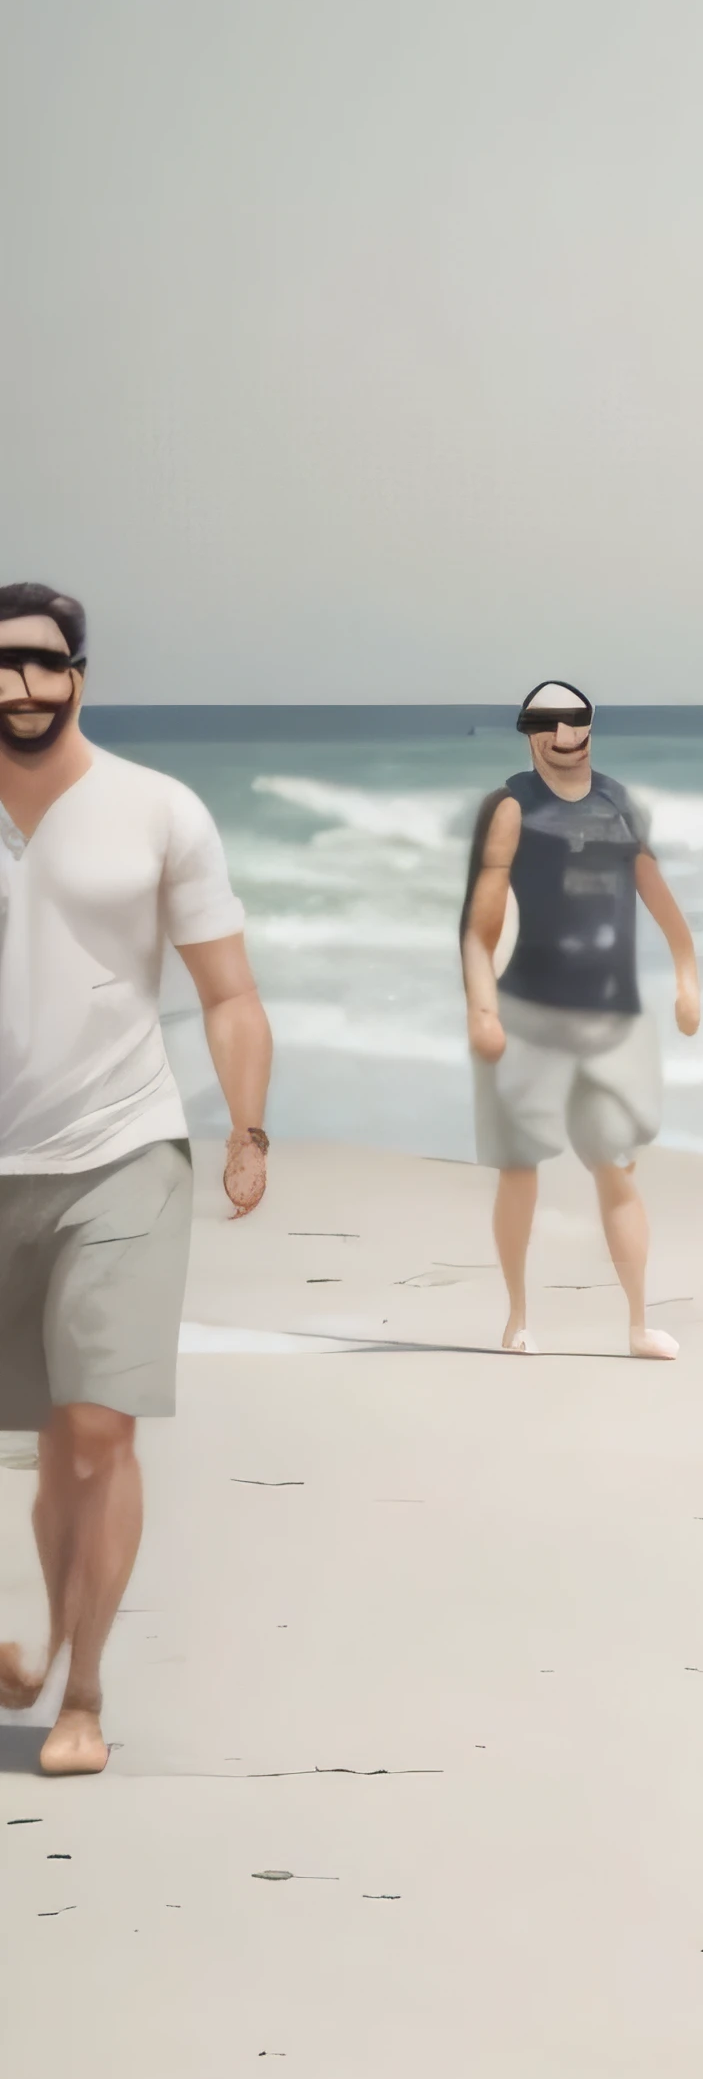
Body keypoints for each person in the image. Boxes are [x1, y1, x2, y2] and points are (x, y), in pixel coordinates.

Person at [0, 582, 274, 1779]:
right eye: (1, 666)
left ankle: (84, 1691)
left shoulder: (157, 810)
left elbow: (227, 990)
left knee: (98, 1433)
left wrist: (247, 1127)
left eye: (43, 664)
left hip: (121, 1149)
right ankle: (36, 1641)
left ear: (80, 673)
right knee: (52, 1445)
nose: (21, 687)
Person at [460, 679, 700, 1357]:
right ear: (529, 732)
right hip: (528, 1014)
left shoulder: (618, 804)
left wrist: (688, 975)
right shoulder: (510, 809)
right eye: (546, 721)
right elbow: (479, 929)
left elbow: (658, 896)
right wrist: (482, 1008)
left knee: (615, 1164)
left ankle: (637, 1322)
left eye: (574, 719)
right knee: (519, 1167)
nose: (562, 733)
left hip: (610, 1019)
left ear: (590, 726)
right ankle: (516, 1316)